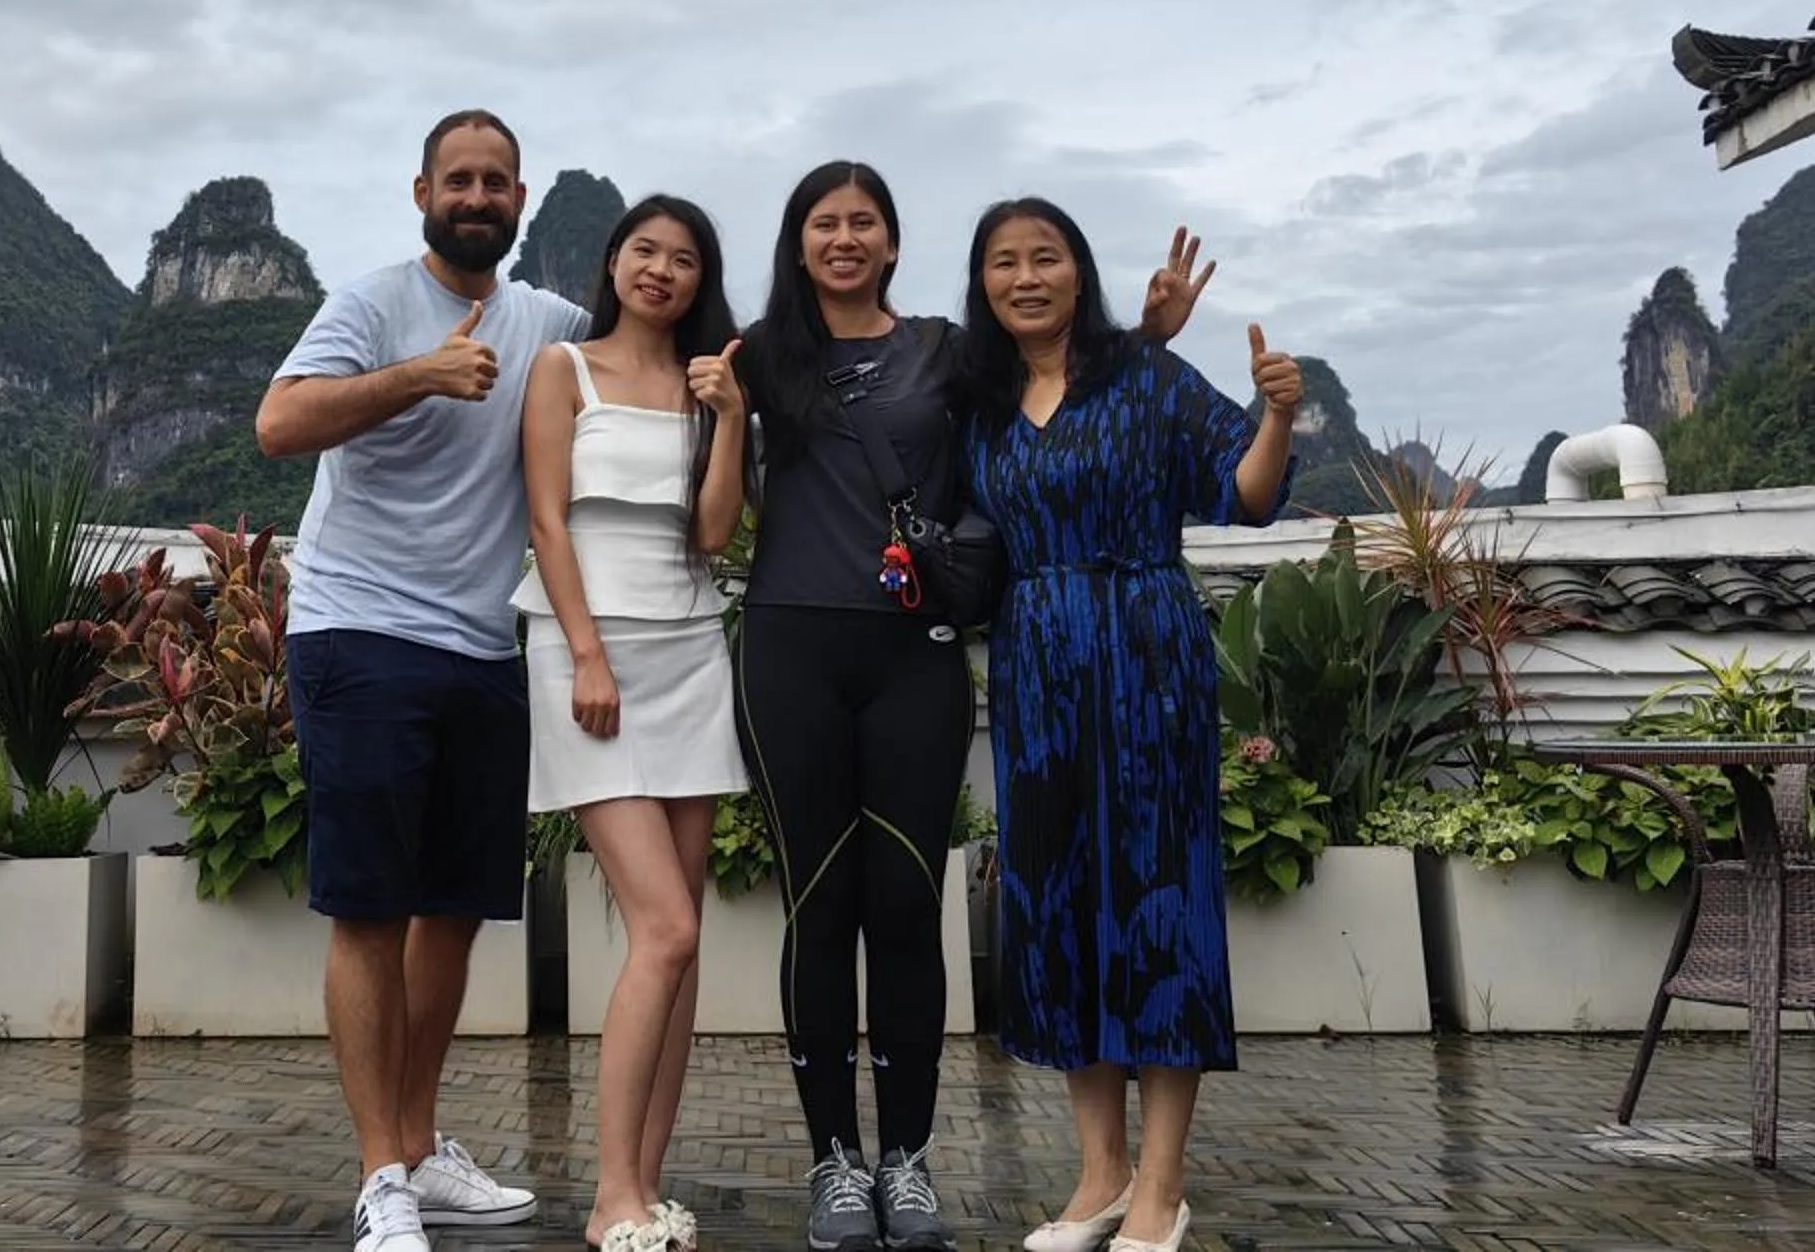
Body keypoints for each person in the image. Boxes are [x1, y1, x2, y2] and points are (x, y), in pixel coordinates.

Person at [729, 163, 1211, 1252]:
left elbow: (1060, 405)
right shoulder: (758, 355)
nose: (845, 239)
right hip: (791, 644)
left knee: (905, 902)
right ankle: (833, 1166)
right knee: (819, 906)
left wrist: (1148, 343)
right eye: (824, 224)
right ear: (798, 244)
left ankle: (905, 1160)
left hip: (917, 652)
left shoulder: (946, 352)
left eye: (865, 223)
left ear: (894, 243)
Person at [254, 109, 585, 1252]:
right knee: (369, 908)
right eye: (461, 179)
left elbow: (640, 348)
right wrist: (419, 375)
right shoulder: (371, 302)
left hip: (482, 648)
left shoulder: (549, 320)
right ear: (422, 191)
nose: (479, 197)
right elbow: (279, 423)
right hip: (361, 638)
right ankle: (376, 1176)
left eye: (498, 182)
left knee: (451, 913)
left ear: (522, 199)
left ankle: (419, 1144)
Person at [953, 198, 1300, 1252]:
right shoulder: (983, 405)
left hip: (1148, 653)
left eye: (1045, 258)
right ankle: (1100, 1174)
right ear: (983, 284)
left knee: (1160, 904)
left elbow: (1244, 491)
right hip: (1037, 668)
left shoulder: (1147, 378)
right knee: (1058, 905)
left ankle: (1161, 1184)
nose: (1026, 277)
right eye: (1004, 263)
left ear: (1078, 270)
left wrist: (1279, 413)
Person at [515, 196, 753, 1252]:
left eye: (685, 259)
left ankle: (647, 1189)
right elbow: (544, 518)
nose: (661, 270)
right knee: (666, 926)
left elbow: (711, 534)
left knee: (681, 943)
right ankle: (611, 1193)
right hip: (587, 652)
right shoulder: (562, 372)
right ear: (612, 263)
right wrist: (590, 654)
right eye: (645, 251)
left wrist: (733, 418)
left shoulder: (707, 388)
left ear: (702, 281)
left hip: (691, 646)